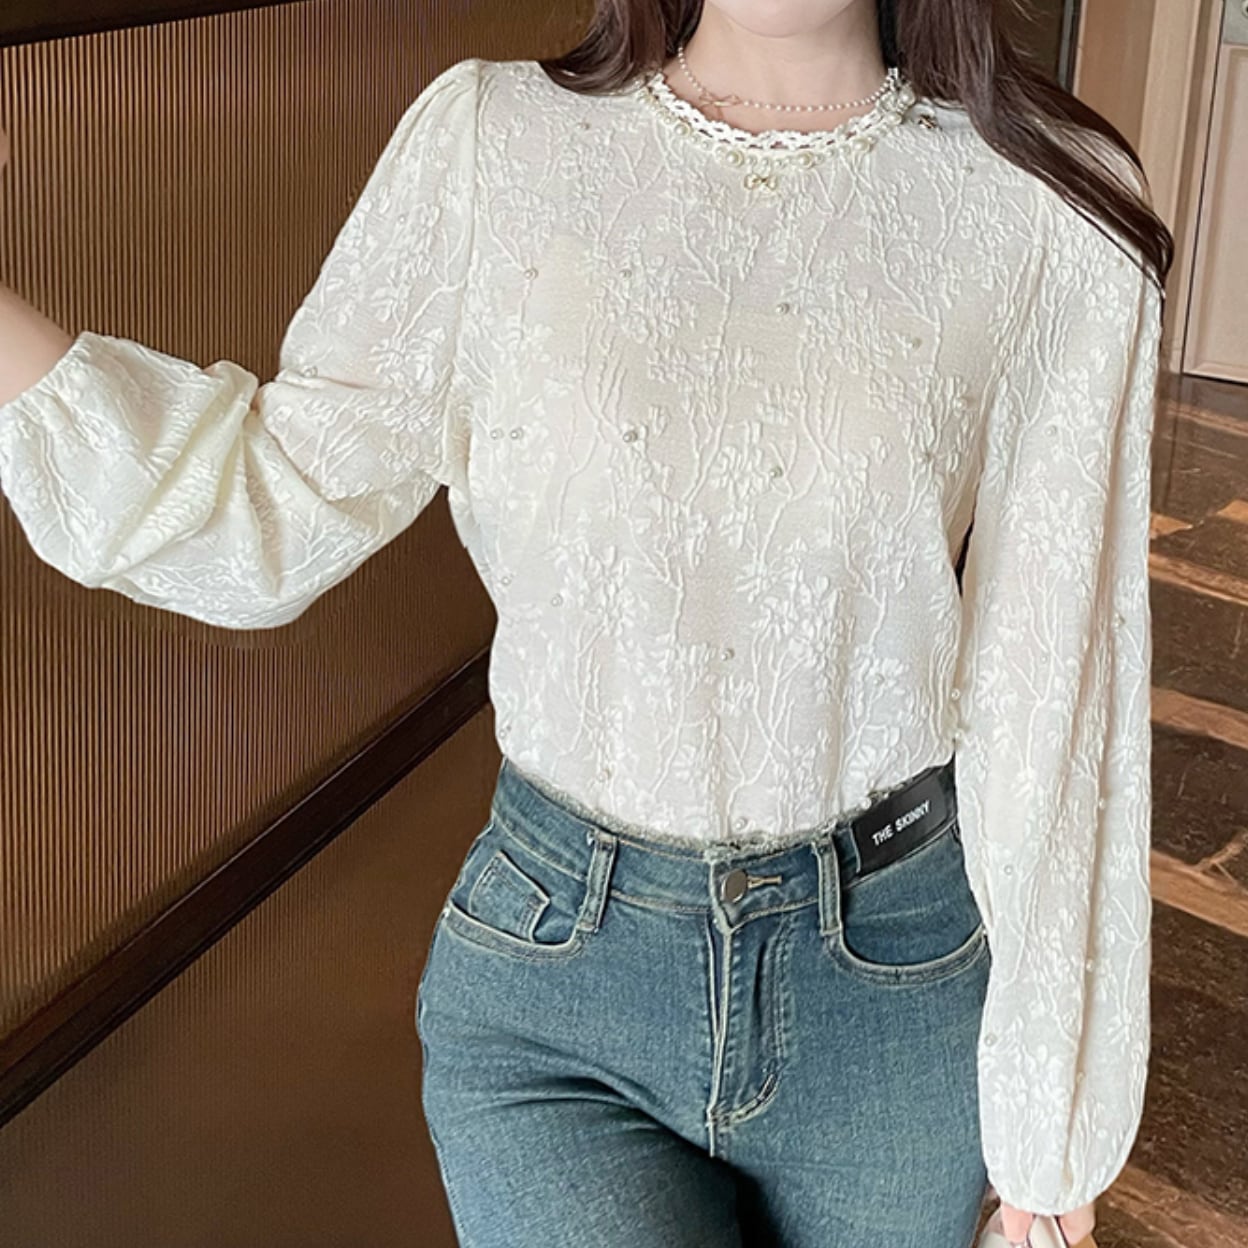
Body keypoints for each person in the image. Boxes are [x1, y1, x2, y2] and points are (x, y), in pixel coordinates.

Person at [0, 1, 1174, 1245]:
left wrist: (1056, 1126)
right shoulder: (493, 143)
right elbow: (266, 505)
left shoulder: (1046, 200)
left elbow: (1058, 679)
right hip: (558, 977)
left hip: (895, 983)